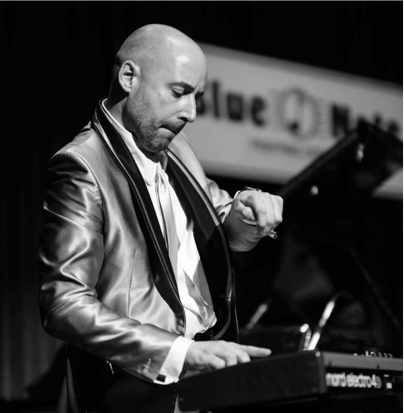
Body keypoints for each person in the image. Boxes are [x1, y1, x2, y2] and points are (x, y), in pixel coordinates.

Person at [38, 24, 283, 413]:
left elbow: (218, 219)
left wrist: (246, 212)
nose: (191, 113)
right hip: (135, 391)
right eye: (179, 92)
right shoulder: (82, 165)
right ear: (129, 77)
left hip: (203, 377)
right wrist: (180, 353)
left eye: (197, 97)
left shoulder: (175, 144)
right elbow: (64, 304)